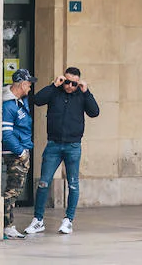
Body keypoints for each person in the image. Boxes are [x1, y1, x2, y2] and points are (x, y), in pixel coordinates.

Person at [25, 66, 100, 236]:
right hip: (54, 145)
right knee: (44, 182)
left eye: (73, 83)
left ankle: (68, 220)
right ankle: (38, 220)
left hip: (73, 146)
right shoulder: (55, 92)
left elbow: (94, 112)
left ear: (78, 82)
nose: (69, 86)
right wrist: (53, 85)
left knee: (73, 184)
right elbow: (36, 100)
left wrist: (86, 92)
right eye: (67, 82)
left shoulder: (81, 95)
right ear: (63, 79)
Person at [1, 69, 36, 240]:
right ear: (22, 84)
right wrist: (21, 152)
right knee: (11, 192)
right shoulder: (9, 106)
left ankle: (8, 225)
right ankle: (7, 226)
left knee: (14, 191)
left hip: (21, 150)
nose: (30, 88)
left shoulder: (21, 102)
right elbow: (6, 134)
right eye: (28, 84)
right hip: (15, 153)